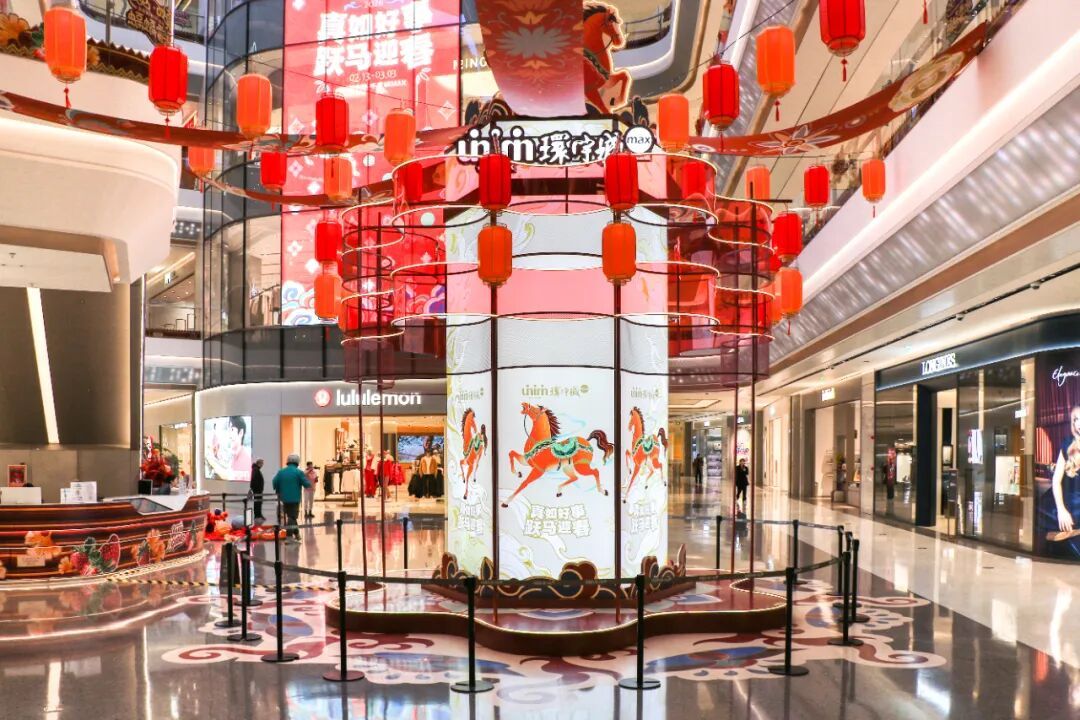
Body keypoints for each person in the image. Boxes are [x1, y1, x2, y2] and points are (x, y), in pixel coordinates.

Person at [1038, 406, 1080, 555]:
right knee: (1045, 512)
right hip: (1064, 499)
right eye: (1075, 420)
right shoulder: (1067, 443)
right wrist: (1061, 510)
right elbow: (1056, 481)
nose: (1078, 424)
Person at [272, 454, 310, 543]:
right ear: (297, 462)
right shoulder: (299, 472)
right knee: (292, 517)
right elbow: (307, 484)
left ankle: (297, 534)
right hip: (295, 498)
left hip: (283, 498)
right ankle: (289, 537)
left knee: (291, 516)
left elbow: (274, 482)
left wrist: (279, 489)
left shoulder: (281, 472)